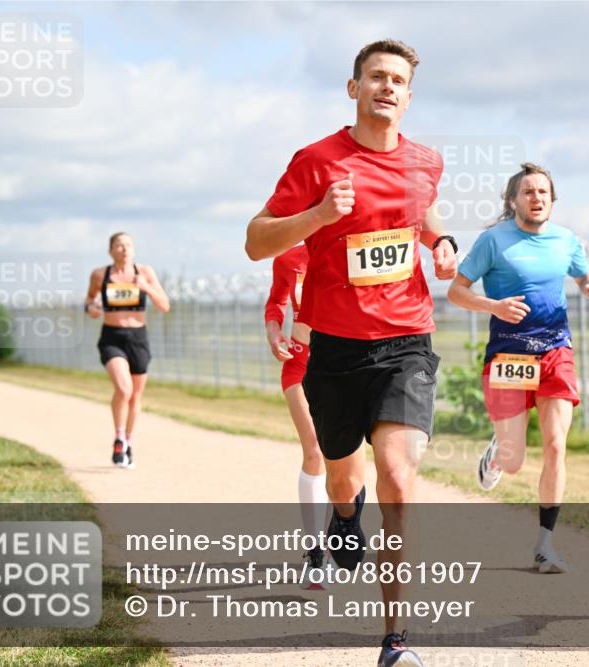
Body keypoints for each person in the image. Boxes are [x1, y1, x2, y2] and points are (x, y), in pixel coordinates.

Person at [245, 39, 457, 667]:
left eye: (397, 80)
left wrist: (441, 238)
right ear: (353, 87)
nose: (386, 87)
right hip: (334, 349)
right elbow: (257, 241)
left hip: (405, 342)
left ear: (409, 95)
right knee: (343, 474)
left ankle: (396, 638)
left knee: (397, 474)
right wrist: (315, 215)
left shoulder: (426, 162)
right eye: (375, 77)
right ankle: (343, 512)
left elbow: (422, 211)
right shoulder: (315, 161)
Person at [447, 163, 589, 574]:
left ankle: (545, 545)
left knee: (556, 445)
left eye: (543, 192)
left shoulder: (566, 240)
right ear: (513, 200)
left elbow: (585, 275)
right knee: (516, 459)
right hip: (509, 356)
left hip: (556, 350)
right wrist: (495, 306)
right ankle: (499, 453)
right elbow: (456, 291)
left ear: (552, 200)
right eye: (528, 192)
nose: (537, 198)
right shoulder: (494, 241)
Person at [263, 242, 331, 588]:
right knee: (315, 449)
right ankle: (315, 548)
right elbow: (275, 303)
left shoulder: (350, 247)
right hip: (299, 364)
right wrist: (275, 333)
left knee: (342, 455)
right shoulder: (288, 257)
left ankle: (341, 534)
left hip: (343, 366)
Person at [85, 232, 170, 468]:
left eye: (128, 245)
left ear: (133, 249)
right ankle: (119, 438)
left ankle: (129, 442)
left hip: (138, 338)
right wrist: (92, 308)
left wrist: (146, 288)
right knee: (123, 388)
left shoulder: (145, 273)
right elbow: (89, 300)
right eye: (119, 245)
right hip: (112, 337)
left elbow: (164, 306)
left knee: (135, 396)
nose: (124, 249)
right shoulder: (100, 275)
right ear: (111, 250)